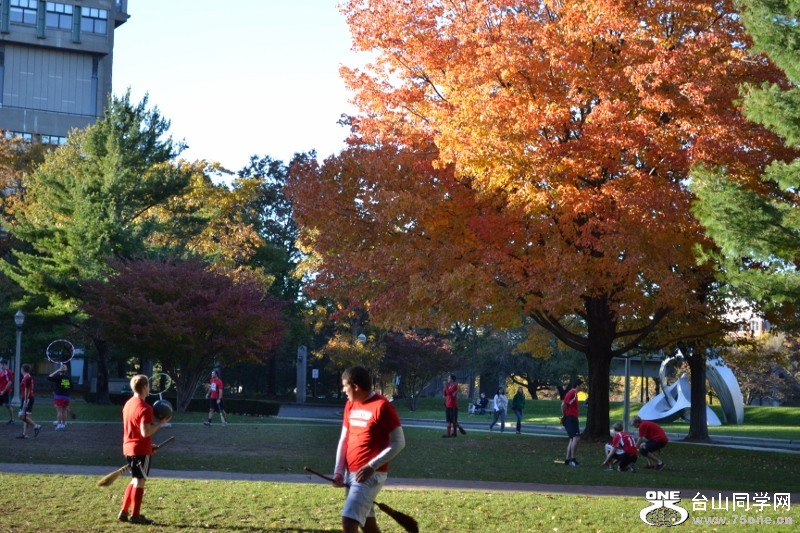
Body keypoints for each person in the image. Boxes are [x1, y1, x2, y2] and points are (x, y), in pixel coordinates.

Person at [333, 365, 405, 533]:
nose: (343, 390)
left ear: (356, 387)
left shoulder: (382, 406)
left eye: (345, 386)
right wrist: (338, 471)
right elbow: (344, 438)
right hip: (351, 473)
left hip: (370, 475)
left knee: (349, 521)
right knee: (367, 525)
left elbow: (399, 442)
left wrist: (371, 466)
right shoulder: (350, 405)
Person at [117, 374, 172, 524]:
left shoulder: (128, 404)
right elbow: (145, 432)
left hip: (128, 448)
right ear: (144, 387)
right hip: (140, 450)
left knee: (135, 479)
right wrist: (161, 423)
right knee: (140, 481)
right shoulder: (145, 408)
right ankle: (135, 515)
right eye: (148, 385)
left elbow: (136, 431)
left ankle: (124, 512)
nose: (149, 388)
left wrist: (148, 446)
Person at [561, 378, 584, 466]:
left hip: (571, 417)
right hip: (571, 418)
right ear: (577, 386)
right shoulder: (572, 393)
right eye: (581, 385)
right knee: (576, 437)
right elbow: (563, 405)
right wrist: (564, 416)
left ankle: (567, 459)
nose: (582, 387)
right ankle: (573, 459)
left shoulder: (574, 394)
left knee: (572, 438)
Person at [17, 363, 41, 439]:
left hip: (27, 398)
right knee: (26, 416)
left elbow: (27, 390)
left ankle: (36, 426)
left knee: (21, 416)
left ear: (23, 369)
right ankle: (25, 434)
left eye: (21, 368)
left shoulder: (27, 378)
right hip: (28, 398)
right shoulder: (27, 377)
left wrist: (25, 401)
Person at [48, 364, 73, 430]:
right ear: (66, 371)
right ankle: (63, 425)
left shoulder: (58, 377)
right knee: (64, 411)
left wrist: (57, 370)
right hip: (66, 396)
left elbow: (49, 377)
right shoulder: (68, 378)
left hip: (59, 396)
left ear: (60, 370)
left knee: (59, 411)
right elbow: (71, 387)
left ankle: (59, 425)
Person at [0, 359, 14, 425]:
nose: (2, 366)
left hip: (5, 391)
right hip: (1, 391)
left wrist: (4, 390)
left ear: (6, 364)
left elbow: (10, 382)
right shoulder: (2, 372)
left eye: (3, 364)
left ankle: (12, 419)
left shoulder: (8, 372)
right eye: (1, 364)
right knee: (6, 405)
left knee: (7, 405)